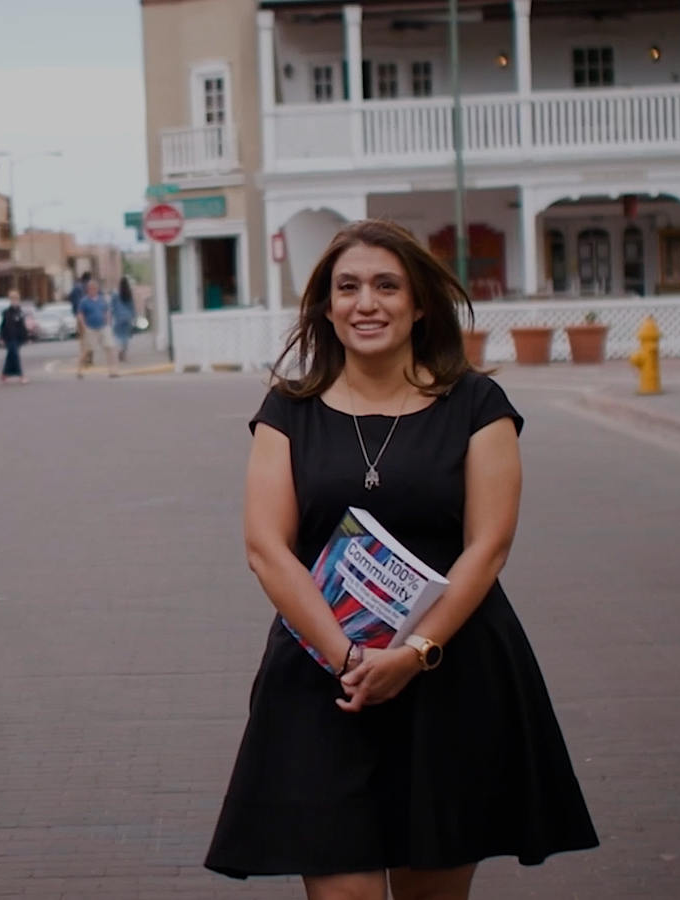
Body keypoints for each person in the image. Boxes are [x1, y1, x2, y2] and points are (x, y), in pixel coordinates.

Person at [205, 219, 597, 895]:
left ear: (419, 304)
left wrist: (413, 654)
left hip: (449, 676)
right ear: (326, 308)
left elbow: (490, 544)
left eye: (388, 286)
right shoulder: (288, 410)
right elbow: (266, 549)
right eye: (348, 287)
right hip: (325, 683)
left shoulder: (477, 405)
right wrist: (351, 659)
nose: (367, 303)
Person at [76, 279, 118, 379]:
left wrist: (108, 322)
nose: (93, 290)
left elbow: (106, 311)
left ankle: (113, 371)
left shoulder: (101, 300)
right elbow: (80, 315)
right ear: (88, 289)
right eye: (91, 288)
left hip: (103, 327)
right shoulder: (84, 301)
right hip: (91, 328)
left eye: (94, 288)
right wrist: (84, 326)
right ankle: (79, 370)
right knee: (87, 350)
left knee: (110, 348)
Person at [0, 289, 29, 384]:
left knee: (10, 356)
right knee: (15, 355)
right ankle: (21, 376)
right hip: (9, 338)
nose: (15, 301)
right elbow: (3, 326)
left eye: (16, 299)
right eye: (13, 299)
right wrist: (2, 338)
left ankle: (4, 373)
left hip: (18, 337)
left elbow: (23, 326)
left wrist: (26, 337)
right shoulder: (6, 312)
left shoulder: (20, 311)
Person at [112, 277, 135, 363]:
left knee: (118, 336)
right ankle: (123, 353)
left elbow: (112, 307)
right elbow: (132, 306)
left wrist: (112, 316)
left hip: (118, 317)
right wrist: (133, 317)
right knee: (126, 336)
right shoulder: (128, 293)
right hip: (127, 317)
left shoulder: (115, 294)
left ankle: (120, 350)